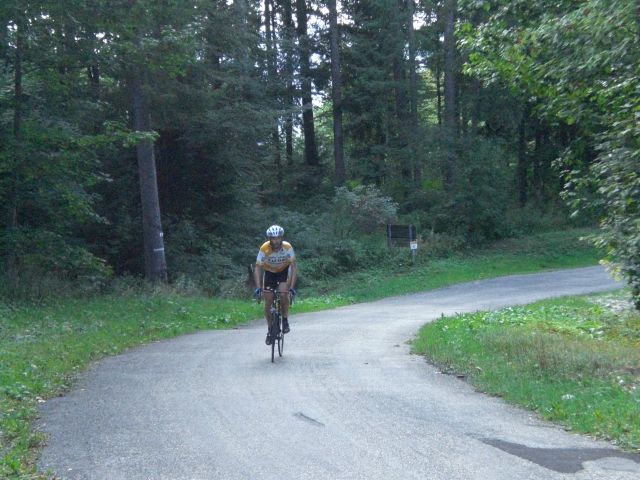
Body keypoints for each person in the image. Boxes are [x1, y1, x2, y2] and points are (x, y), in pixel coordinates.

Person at [253, 225, 297, 345]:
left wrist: (292, 287)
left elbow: (293, 267)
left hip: (283, 271)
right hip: (270, 273)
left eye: (278, 238)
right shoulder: (264, 248)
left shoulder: (287, 247)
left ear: (281, 238)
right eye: (273, 238)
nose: (276, 241)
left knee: (283, 294)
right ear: (270, 239)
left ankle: (285, 319)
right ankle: (270, 329)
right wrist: (258, 287)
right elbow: (257, 268)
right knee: (268, 301)